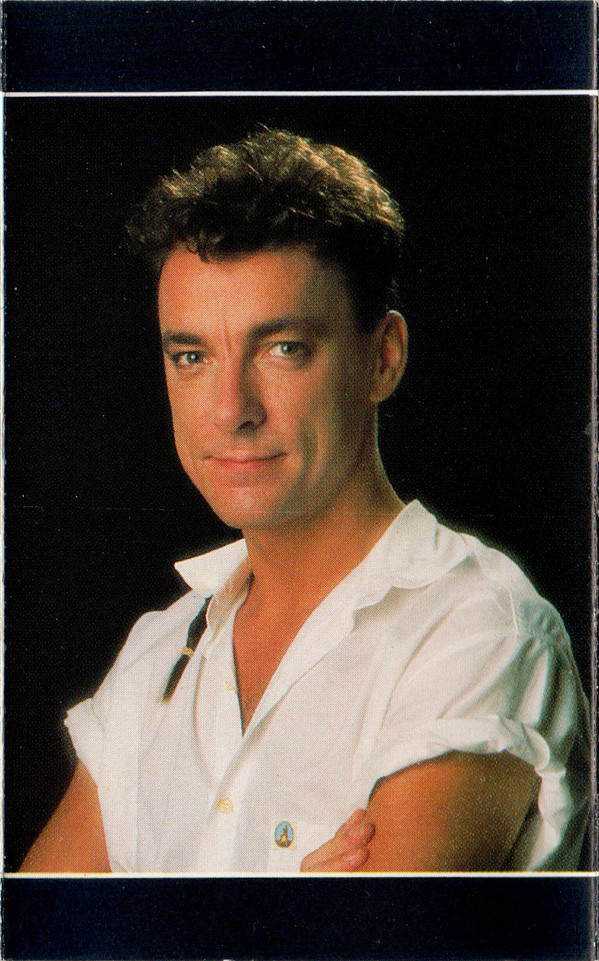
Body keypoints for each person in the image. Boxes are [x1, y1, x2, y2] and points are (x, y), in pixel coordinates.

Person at [20, 129, 589, 874]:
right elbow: (33, 931)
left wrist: (144, 923)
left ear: (382, 357)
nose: (231, 410)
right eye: (191, 356)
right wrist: (292, 911)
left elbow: (371, 936)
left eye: (282, 349)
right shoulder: (156, 656)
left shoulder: (476, 631)